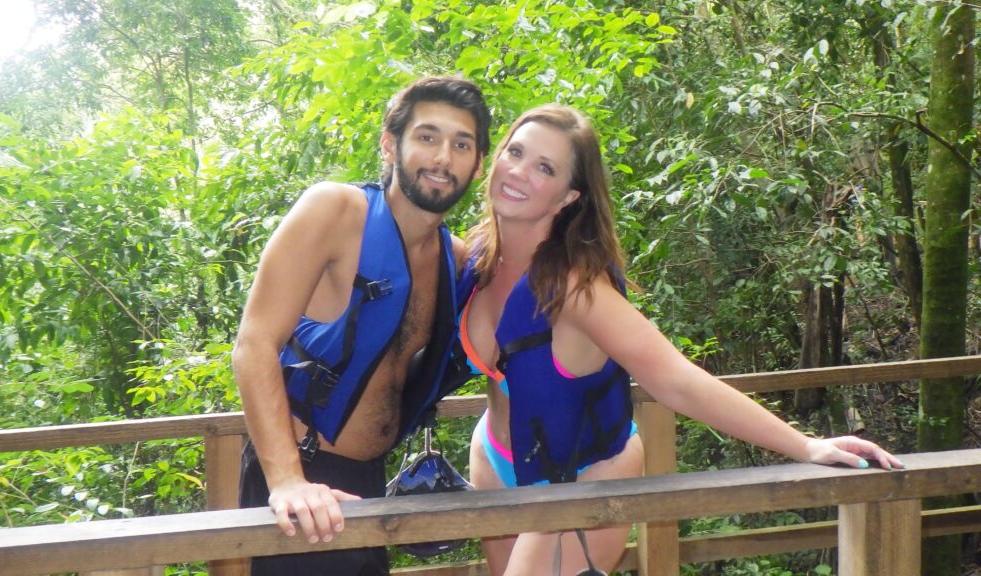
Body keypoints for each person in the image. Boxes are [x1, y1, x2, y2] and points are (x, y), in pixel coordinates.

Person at [458, 104, 905, 576]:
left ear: (568, 196)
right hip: (494, 454)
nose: (519, 172)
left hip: (580, 471)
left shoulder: (576, 289)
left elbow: (675, 380)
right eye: (516, 152)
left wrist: (805, 445)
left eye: (544, 167)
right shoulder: (476, 257)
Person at [232, 76, 491, 576]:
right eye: (428, 137)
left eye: (462, 145)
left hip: (371, 481)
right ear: (391, 144)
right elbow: (254, 343)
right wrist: (287, 482)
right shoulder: (337, 211)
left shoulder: (454, 260)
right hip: (304, 479)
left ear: (477, 165)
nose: (443, 158)